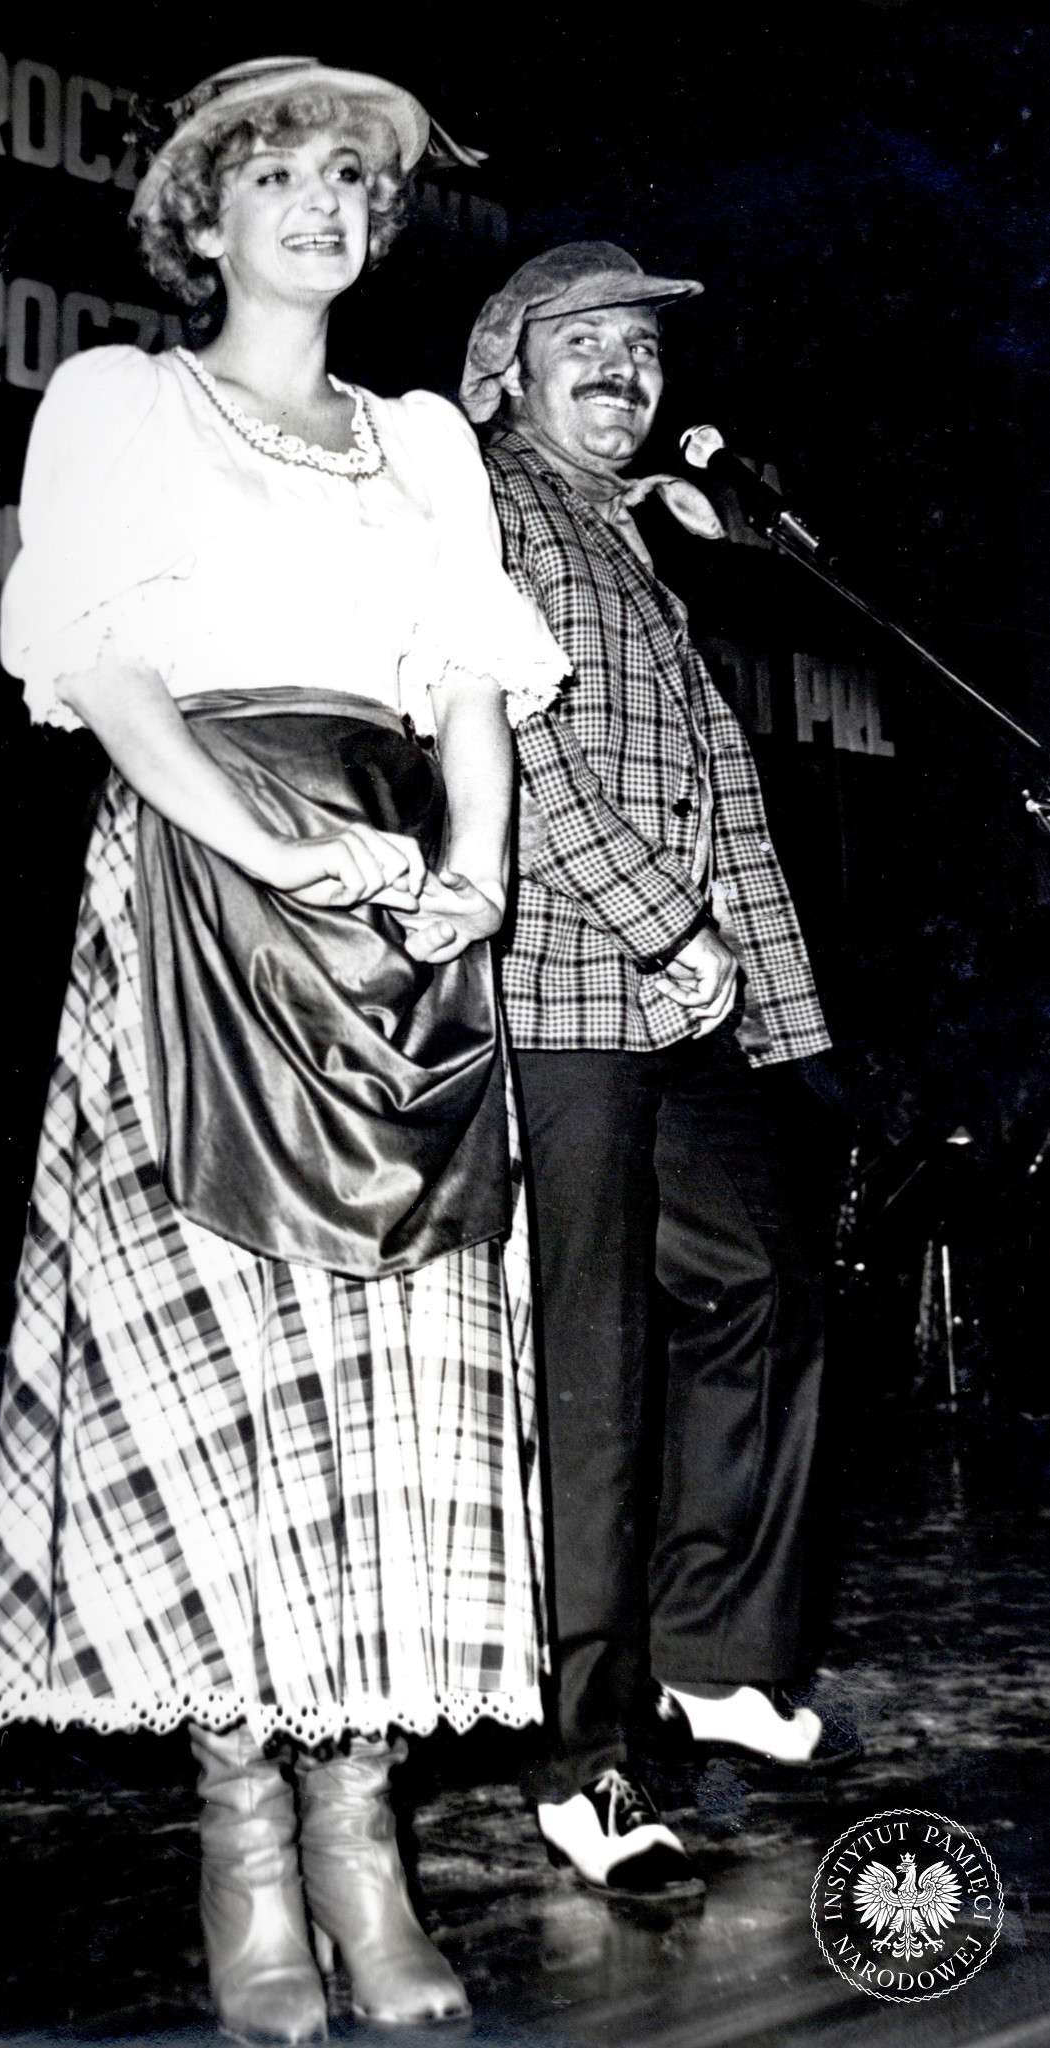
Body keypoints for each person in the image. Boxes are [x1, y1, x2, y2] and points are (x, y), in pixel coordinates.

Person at [0, 59, 568, 2042]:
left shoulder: (423, 445)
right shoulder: (119, 405)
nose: (321, 206)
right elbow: (104, 662)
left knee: (392, 1385)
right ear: (201, 214)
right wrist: (263, 844)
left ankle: (358, 1832)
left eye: (351, 184)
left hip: (395, 925)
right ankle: (245, 1842)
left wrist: (472, 870)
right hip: (209, 893)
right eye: (280, 175)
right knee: (221, 1378)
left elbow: (466, 683)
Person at [460, 241, 842, 1900]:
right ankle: (582, 1758)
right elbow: (514, 746)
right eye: (588, 342)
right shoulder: (486, 504)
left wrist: (774, 1007)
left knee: (757, 1272)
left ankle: (708, 1654)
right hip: (560, 982)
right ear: (506, 366)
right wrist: (660, 921)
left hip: (681, 995)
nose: (624, 370)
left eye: (643, 349)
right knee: (591, 1369)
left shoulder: (630, 535)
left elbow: (707, 786)